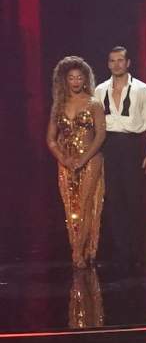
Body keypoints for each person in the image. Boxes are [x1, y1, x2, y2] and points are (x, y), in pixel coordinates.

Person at [94, 46, 146, 270]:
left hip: (132, 146)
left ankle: (136, 252)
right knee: (113, 200)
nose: (116, 64)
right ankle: (121, 253)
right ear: (108, 64)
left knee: (134, 199)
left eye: (120, 60)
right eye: (112, 60)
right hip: (108, 146)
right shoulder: (100, 90)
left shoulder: (142, 89)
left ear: (128, 62)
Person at [47, 56, 106, 269]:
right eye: (71, 78)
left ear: (85, 79)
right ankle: (78, 247)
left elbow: (101, 135)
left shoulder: (94, 103)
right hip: (66, 163)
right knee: (71, 207)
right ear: (65, 80)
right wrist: (63, 158)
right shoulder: (59, 105)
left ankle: (79, 252)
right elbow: (51, 139)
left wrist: (84, 158)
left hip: (90, 159)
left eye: (79, 78)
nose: (75, 82)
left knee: (86, 205)